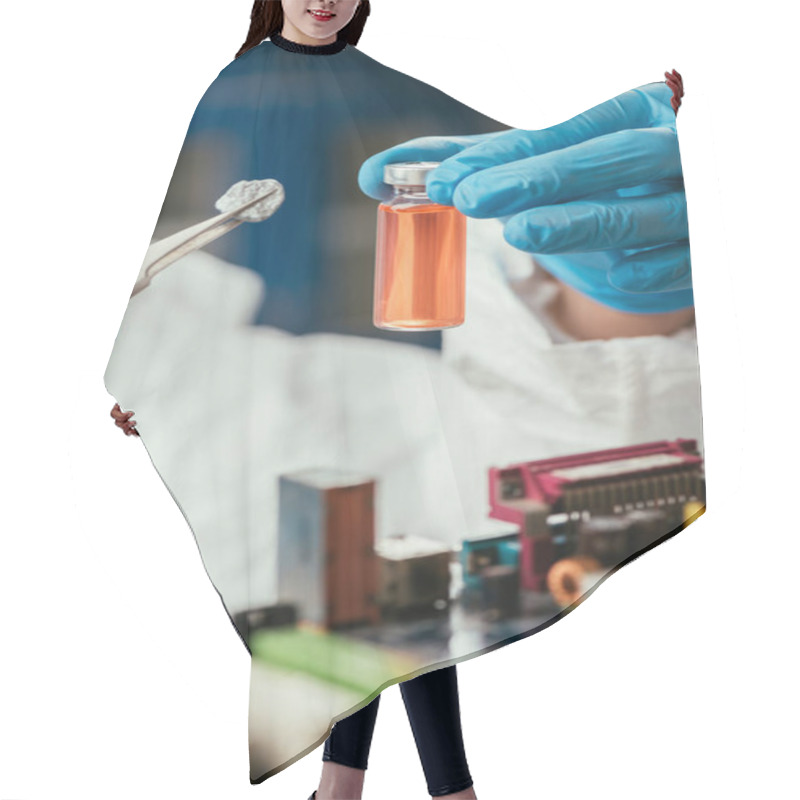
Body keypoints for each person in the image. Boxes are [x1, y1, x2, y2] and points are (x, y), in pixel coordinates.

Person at [109, 3, 694, 798]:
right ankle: (418, 789)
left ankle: (356, 788)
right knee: (358, 584)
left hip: (399, 365)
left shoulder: (381, 87)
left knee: (393, 579)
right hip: (287, 376)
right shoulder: (233, 88)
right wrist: (153, 378)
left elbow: (509, 150)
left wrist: (642, 114)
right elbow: (181, 254)